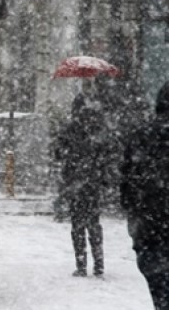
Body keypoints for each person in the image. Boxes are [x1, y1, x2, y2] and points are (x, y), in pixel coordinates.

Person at [55, 99, 117, 277]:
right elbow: (107, 155)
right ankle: (99, 264)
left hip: (75, 182)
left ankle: (81, 264)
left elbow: (58, 153)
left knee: (77, 225)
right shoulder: (98, 130)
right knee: (94, 223)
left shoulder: (69, 130)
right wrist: (103, 177)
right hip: (92, 183)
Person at [122, 81, 169, 310]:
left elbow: (127, 186)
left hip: (150, 228)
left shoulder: (140, 135)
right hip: (153, 223)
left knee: (161, 293)